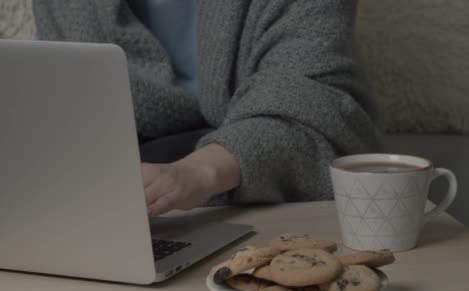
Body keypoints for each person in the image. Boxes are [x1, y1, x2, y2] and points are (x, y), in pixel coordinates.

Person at [33, 0, 380, 216]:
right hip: (122, 210)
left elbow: (314, 99)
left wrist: (196, 174)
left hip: (269, 204)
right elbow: (69, 104)